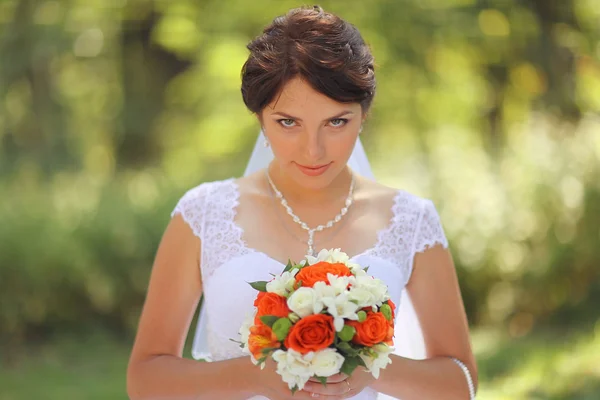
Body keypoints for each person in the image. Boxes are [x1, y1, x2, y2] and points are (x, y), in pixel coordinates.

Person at [127, 5, 477, 400]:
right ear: (260, 118)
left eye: (337, 122)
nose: (313, 151)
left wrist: (372, 369)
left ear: (364, 116)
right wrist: (255, 375)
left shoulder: (411, 219)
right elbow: (145, 379)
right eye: (288, 122)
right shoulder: (203, 213)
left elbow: (461, 382)